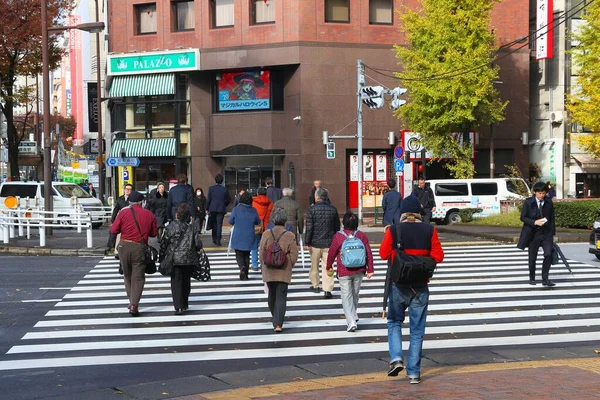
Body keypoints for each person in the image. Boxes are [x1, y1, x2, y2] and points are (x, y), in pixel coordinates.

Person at [379, 194, 444, 384]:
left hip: (398, 285)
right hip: (420, 286)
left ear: (402, 212)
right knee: (417, 330)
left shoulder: (394, 230)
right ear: (419, 212)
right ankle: (414, 373)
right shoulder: (429, 230)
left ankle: (396, 358)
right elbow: (439, 256)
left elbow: (384, 254)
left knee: (394, 322)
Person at [110, 191, 158, 316]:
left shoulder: (123, 213)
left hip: (123, 246)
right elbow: (153, 233)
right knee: (138, 277)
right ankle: (134, 304)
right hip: (139, 247)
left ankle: (131, 300)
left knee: (127, 275)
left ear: (129, 202)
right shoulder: (148, 214)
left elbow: (113, 229)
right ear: (142, 202)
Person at [326, 212, 374, 332]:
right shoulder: (361, 235)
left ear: (344, 223)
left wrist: (328, 266)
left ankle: (351, 321)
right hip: (359, 270)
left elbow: (332, 252)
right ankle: (353, 315)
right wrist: (370, 269)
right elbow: (368, 253)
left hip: (344, 270)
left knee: (346, 296)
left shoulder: (339, 236)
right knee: (355, 294)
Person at [259, 207, 299, 333]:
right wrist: (289, 265)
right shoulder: (289, 235)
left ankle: (275, 317)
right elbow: (294, 254)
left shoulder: (266, 233)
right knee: (281, 296)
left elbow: (261, 252)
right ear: (285, 221)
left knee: (272, 294)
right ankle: (278, 323)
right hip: (283, 270)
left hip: (269, 269)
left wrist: (263, 265)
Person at [159, 203, 202, 315]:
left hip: (175, 258)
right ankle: (185, 303)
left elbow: (164, 243)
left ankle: (178, 306)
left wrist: (162, 256)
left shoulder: (170, 227)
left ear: (177, 214)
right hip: (189, 257)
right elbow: (198, 244)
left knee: (176, 281)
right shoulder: (192, 228)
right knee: (186, 281)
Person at [517, 181, 556, 286]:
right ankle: (532, 278)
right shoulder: (528, 202)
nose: (541, 195)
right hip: (533, 233)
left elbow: (552, 218)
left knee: (548, 254)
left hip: (546, 233)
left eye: (543, 193)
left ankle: (545, 278)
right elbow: (523, 217)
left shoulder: (548, 202)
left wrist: (553, 233)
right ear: (535, 192)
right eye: (539, 193)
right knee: (532, 257)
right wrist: (534, 222)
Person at [305, 188, 340, 298]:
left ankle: (315, 285)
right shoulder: (333, 209)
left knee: (314, 266)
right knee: (328, 266)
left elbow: (309, 228)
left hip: (315, 243)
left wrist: (307, 242)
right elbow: (337, 228)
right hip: (329, 243)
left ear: (316, 197)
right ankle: (328, 290)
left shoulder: (312, 210)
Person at [229, 192, 261, 280]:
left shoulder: (236, 209)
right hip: (249, 235)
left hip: (238, 234)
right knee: (247, 254)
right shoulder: (253, 210)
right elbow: (258, 222)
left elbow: (230, 221)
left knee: (239, 254)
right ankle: (246, 275)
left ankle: (242, 267)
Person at [106, 183, 133, 256]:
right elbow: (116, 209)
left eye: (130, 189)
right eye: (127, 189)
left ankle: (120, 250)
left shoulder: (133, 200)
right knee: (113, 230)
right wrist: (113, 219)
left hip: (130, 220)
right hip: (121, 219)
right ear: (124, 190)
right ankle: (111, 246)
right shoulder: (120, 199)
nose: (128, 191)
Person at [252, 187, 273, 270]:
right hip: (267, 228)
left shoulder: (253, 203)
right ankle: (265, 263)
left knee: (254, 246)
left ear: (257, 193)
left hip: (257, 227)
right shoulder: (271, 203)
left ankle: (254, 264)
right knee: (266, 246)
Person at [206, 174, 231, 246]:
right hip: (221, 209)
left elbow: (209, 199)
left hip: (212, 208)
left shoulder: (211, 188)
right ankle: (218, 240)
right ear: (222, 181)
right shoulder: (224, 189)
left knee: (214, 224)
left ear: (215, 180)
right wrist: (224, 204)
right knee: (219, 224)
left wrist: (207, 208)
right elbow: (228, 199)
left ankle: (214, 238)